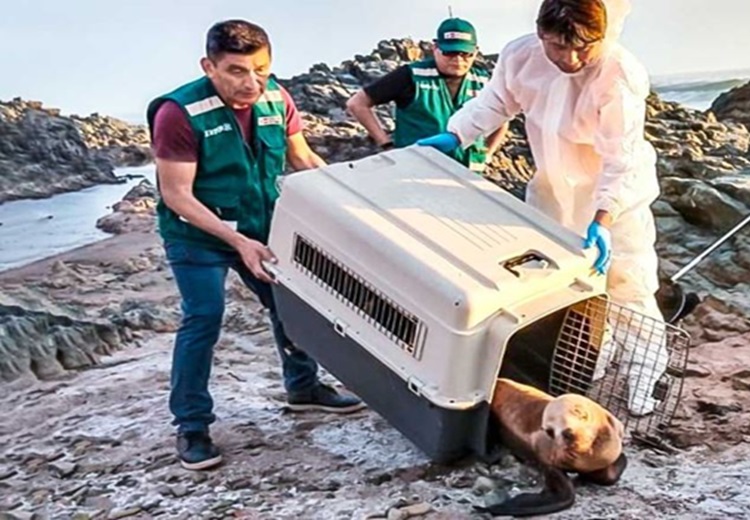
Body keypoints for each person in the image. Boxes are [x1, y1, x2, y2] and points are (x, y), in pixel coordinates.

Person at [418, 0, 667, 417]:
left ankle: (646, 374)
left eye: (583, 47)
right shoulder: (521, 56)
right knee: (564, 284)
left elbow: (620, 159)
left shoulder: (618, 73)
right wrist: (455, 134)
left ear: (601, 36)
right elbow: (495, 102)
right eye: (556, 46)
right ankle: (594, 355)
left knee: (629, 282)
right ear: (540, 34)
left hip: (615, 197)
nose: (569, 59)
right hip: (551, 189)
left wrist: (604, 218)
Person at [147, 19, 364, 471]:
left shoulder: (275, 96)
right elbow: (177, 195)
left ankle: (303, 388)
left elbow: (301, 157)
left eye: (261, 69)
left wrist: (348, 200)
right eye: (237, 71)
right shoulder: (178, 113)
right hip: (198, 234)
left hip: (262, 222)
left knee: (291, 303)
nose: (251, 83)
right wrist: (237, 242)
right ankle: (192, 426)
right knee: (204, 318)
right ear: (209, 66)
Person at [346, 17, 508, 173]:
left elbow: (502, 117)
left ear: (475, 51)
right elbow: (357, 103)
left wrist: (487, 154)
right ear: (435, 48)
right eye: (449, 53)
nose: (458, 60)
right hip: (416, 171)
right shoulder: (411, 75)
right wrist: (386, 144)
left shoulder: (484, 80)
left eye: (465, 53)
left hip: (468, 175)